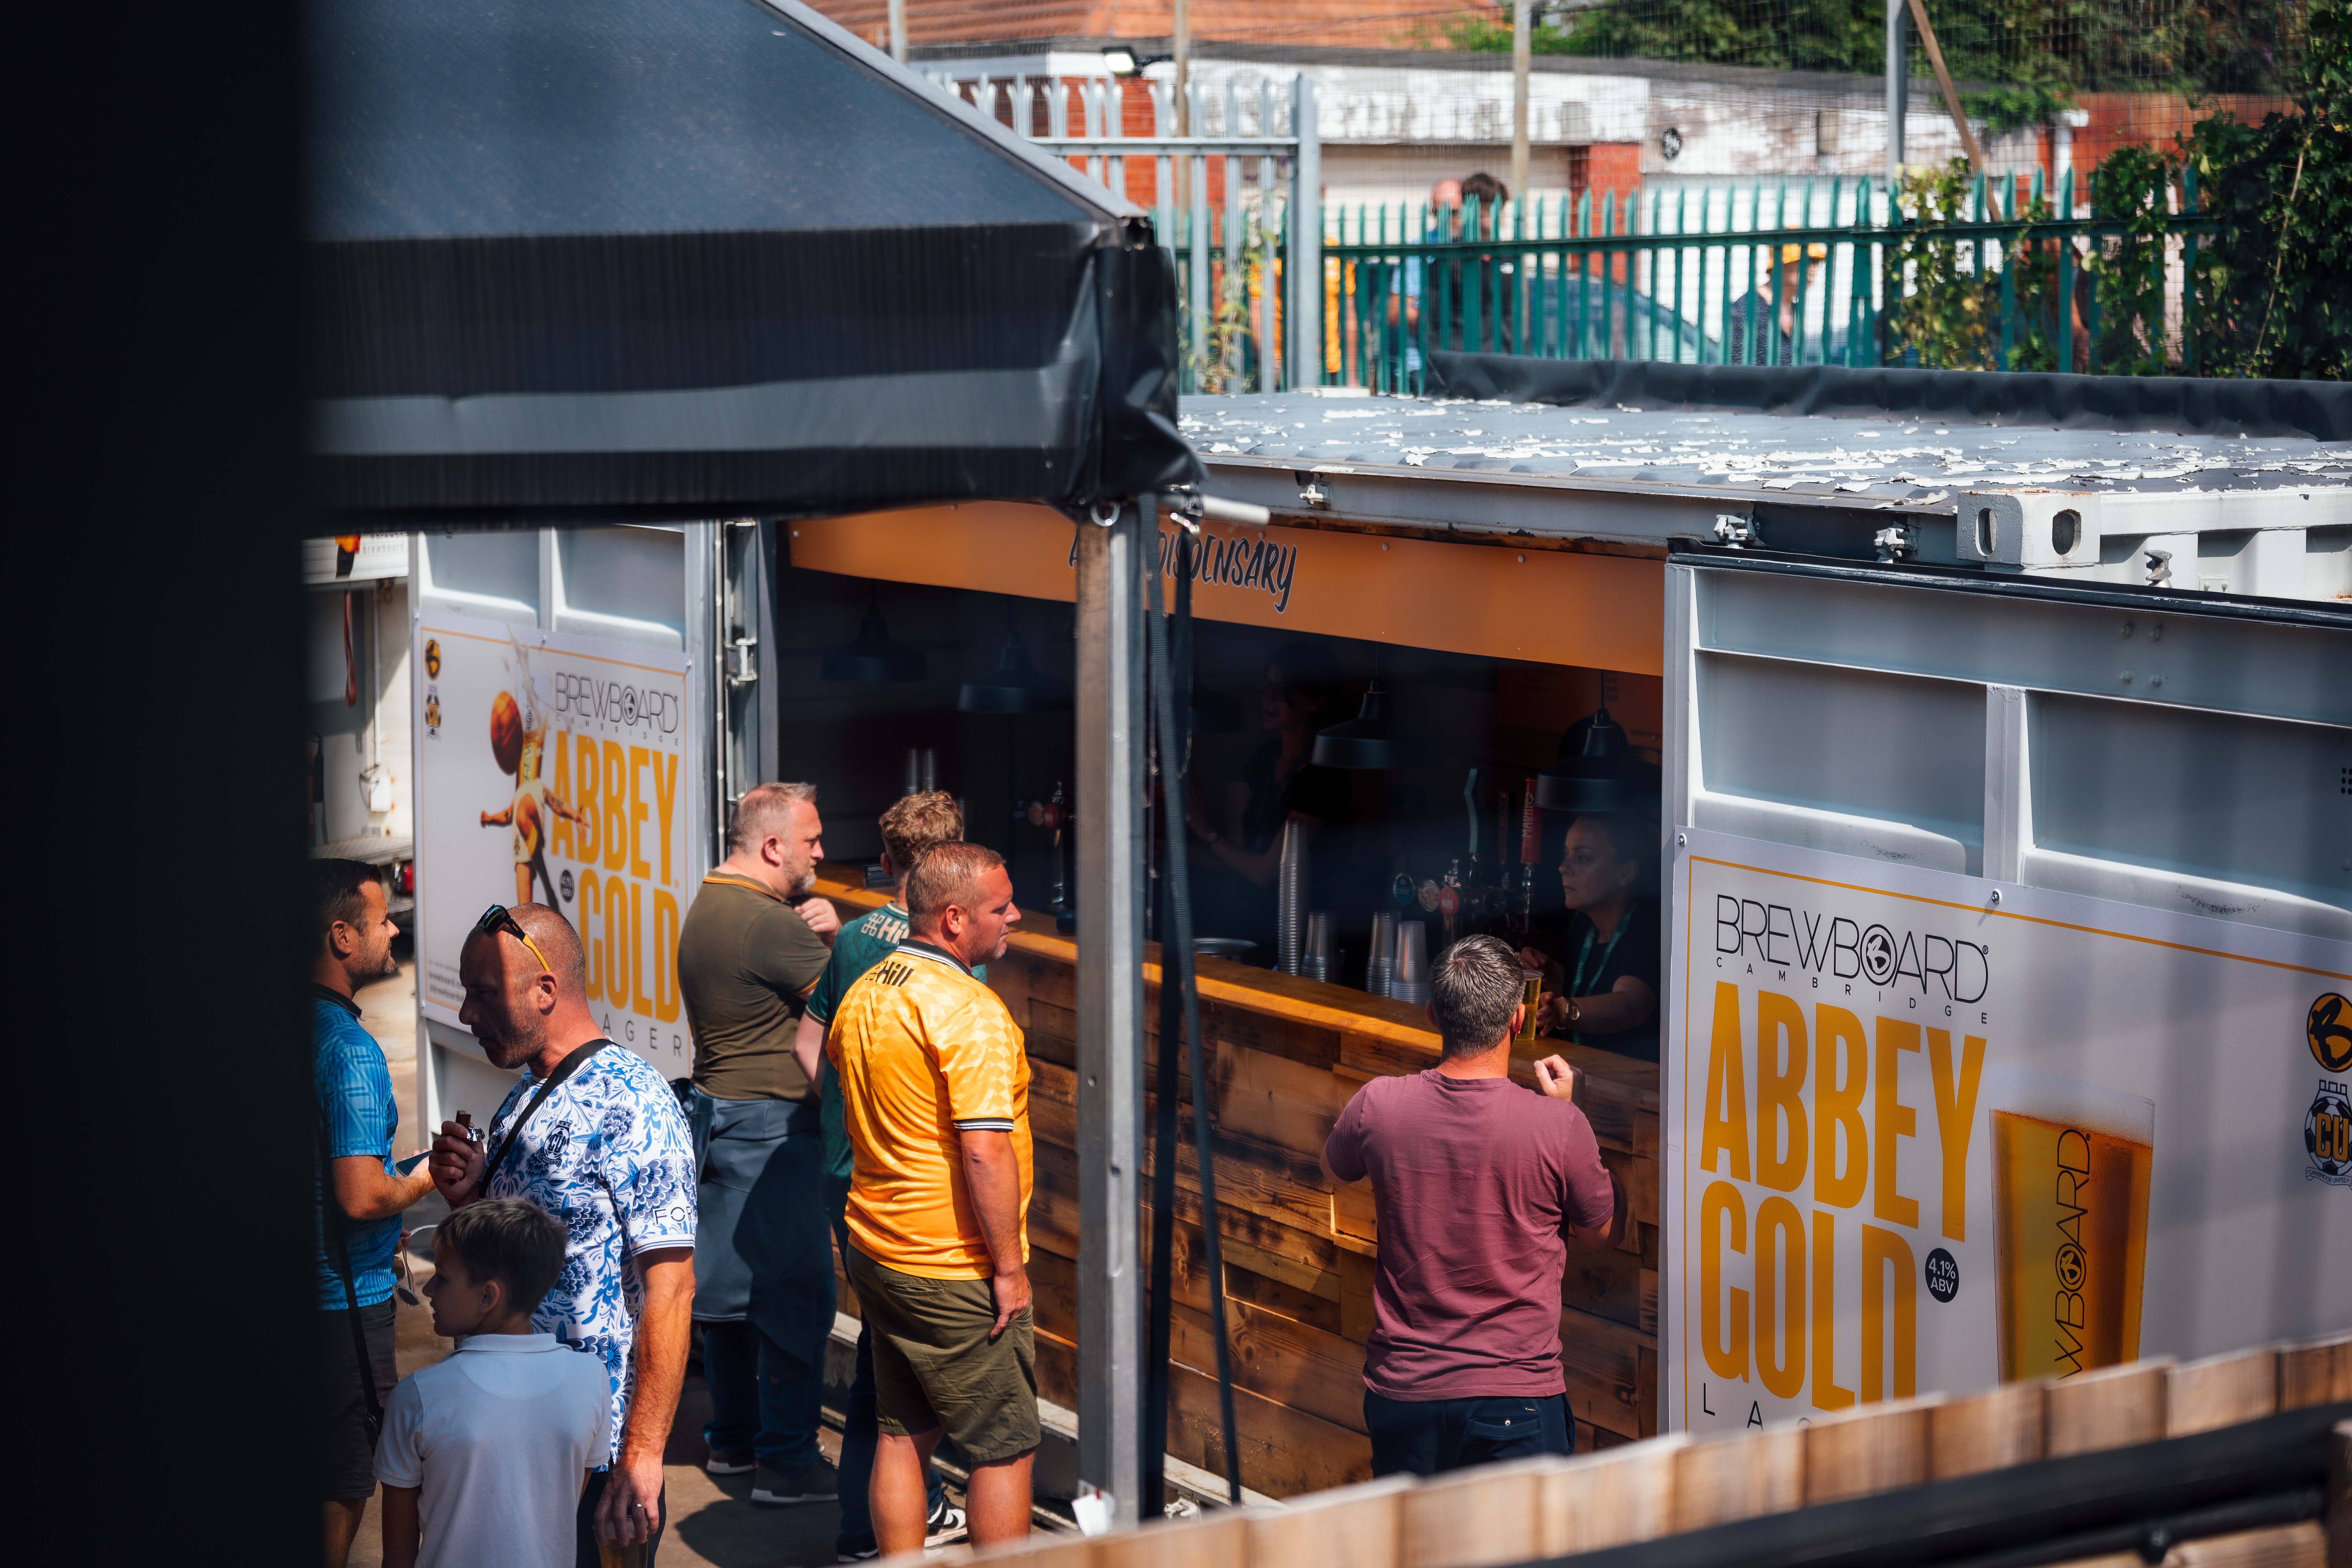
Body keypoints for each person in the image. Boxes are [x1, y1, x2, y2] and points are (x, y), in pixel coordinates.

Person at [429, 903, 697, 1567]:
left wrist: (640, 1458)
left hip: (592, 1459)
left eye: (484, 994)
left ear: (545, 991)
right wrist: (467, 1200)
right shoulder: (526, 1091)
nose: (467, 1014)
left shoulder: (634, 1105)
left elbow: (672, 1290)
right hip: (508, 1439)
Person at [1323, 934, 1623, 1477]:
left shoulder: (1379, 1105)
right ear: (1518, 1019)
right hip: (1515, 1401)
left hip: (1404, 1393)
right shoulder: (1558, 1126)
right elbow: (1603, 1232)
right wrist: (1576, 1115)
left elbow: (1333, 1168)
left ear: (1434, 1014)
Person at [828, 842, 1036, 1555]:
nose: (1017, 916)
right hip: (953, 1266)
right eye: (1000, 907)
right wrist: (1008, 1269)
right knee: (1002, 1447)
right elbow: (984, 1148)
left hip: (880, 1249)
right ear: (953, 920)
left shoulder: (868, 988)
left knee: (902, 1431)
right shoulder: (968, 1009)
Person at [795, 791, 973, 1560]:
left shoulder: (855, 937)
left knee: (883, 1347)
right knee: (891, 1366)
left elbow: (810, 1043)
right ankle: (873, 1526)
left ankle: (899, 1509)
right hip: (904, 1178)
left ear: (889, 856)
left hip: (846, 1166)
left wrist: (846, 1098)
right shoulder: (948, 948)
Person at [673, 781, 844, 1508]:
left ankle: (734, 1442)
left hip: (723, 1118)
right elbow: (865, 1005)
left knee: (736, 1298)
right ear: (773, 846)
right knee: (795, 1301)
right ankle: (787, 1462)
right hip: (773, 1128)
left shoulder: (711, 901)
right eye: (811, 841)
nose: (821, 853)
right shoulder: (770, 925)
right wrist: (836, 938)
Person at [312, 859, 436, 1568]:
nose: (395, 928)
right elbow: (361, 1196)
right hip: (345, 1310)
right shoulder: (350, 1051)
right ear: (340, 937)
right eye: (383, 919)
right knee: (345, 1481)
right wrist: (420, 1180)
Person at [376, 1199, 611, 1568]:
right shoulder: (591, 1380)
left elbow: (399, 1555)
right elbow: (560, 1510)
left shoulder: (418, 1397)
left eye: (443, 1277)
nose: (428, 1290)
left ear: (488, 1295)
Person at [1185, 641, 1351, 954]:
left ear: (1315, 702)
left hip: (1302, 934)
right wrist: (1172, 852)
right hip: (1253, 920)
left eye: (1283, 688)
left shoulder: (1323, 777)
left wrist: (1205, 830)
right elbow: (1237, 859)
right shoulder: (1264, 760)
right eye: (1268, 685)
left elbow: (1265, 873)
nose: (1269, 697)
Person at [1517, 813, 1660, 1061]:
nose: (1564, 868)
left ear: (1626, 872)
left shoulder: (1649, 928)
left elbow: (1631, 1006)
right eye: (1567, 855)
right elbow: (1590, 988)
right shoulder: (1585, 921)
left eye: (1583, 858)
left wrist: (1566, 1011)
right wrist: (1548, 972)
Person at [1724, 242, 1829, 366]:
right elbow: (1733, 372)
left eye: (1816, 262)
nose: (1813, 269)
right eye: (1806, 261)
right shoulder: (1746, 309)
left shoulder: (1795, 310)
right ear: (1781, 263)